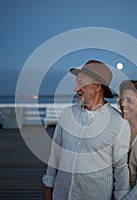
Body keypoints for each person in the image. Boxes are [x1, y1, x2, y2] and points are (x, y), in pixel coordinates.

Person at [43, 60, 131, 200]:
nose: (75, 88)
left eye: (81, 83)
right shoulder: (66, 115)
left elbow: (121, 169)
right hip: (60, 194)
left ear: (97, 86)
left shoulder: (118, 123)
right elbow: (55, 154)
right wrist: (48, 189)